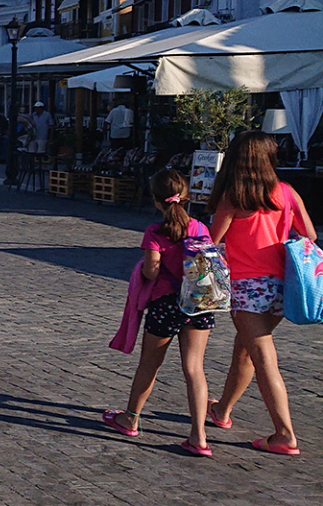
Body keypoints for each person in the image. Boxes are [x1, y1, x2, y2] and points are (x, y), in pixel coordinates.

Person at [204, 132, 315, 455]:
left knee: (263, 358)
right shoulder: (287, 192)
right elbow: (308, 235)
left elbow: (212, 241)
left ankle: (284, 434)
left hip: (247, 287)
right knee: (246, 350)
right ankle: (222, 410)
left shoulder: (234, 196)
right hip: (281, 286)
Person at [101, 170, 217, 455]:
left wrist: (141, 268)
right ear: (185, 196)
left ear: (155, 200)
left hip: (166, 304)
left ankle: (130, 419)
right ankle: (199, 436)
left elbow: (152, 270)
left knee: (149, 365)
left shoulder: (155, 232)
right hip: (199, 304)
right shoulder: (200, 228)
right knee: (195, 369)